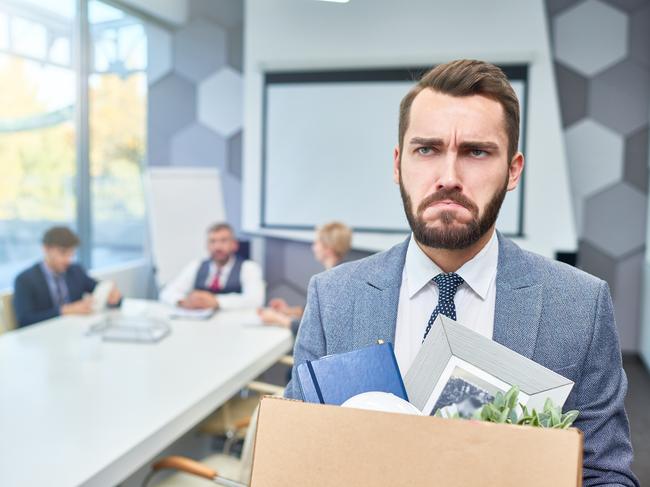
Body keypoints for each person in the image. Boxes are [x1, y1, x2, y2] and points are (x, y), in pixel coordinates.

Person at [284, 60, 638, 485]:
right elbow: (296, 458)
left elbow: (605, 475)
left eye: (476, 151)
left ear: (513, 170)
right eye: (427, 149)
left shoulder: (580, 306)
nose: (448, 177)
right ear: (398, 165)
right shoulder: (333, 298)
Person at [13, 226, 122, 328]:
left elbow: (101, 289)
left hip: (74, 331)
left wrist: (113, 297)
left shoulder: (75, 271)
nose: (68, 260)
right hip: (42, 339)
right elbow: (24, 320)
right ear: (46, 249)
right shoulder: (25, 280)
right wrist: (64, 310)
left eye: (71, 254)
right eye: (63, 253)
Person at [258, 221, 352, 335]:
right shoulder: (343, 274)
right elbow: (316, 312)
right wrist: (287, 311)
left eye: (316, 243)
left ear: (327, 249)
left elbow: (316, 331)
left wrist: (278, 319)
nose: (313, 247)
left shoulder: (332, 282)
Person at [160, 222, 264, 310]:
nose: (217, 247)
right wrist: (182, 301)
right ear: (206, 245)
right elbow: (167, 292)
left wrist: (216, 301)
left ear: (234, 245)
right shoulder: (196, 265)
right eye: (212, 241)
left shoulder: (249, 267)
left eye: (223, 241)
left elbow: (255, 301)